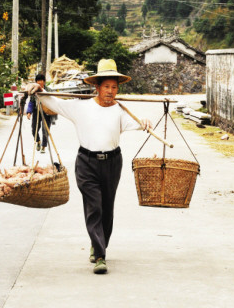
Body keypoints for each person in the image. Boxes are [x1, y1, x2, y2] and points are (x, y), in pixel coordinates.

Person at [30, 58, 150, 275]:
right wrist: (38, 89)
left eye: (114, 87)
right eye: (107, 87)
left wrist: (146, 123)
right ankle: (101, 256)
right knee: (94, 206)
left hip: (113, 162)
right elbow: (54, 103)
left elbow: (138, 123)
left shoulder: (120, 111)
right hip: (86, 163)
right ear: (97, 87)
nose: (111, 91)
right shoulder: (81, 108)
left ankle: (98, 244)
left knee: (107, 208)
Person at [26, 73, 52, 153]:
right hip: (37, 111)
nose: (40, 82)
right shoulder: (34, 90)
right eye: (38, 81)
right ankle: (38, 141)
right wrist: (29, 112)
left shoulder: (49, 90)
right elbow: (31, 102)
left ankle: (43, 146)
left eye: (41, 80)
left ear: (44, 82)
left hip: (46, 112)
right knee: (34, 128)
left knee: (45, 130)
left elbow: (53, 100)